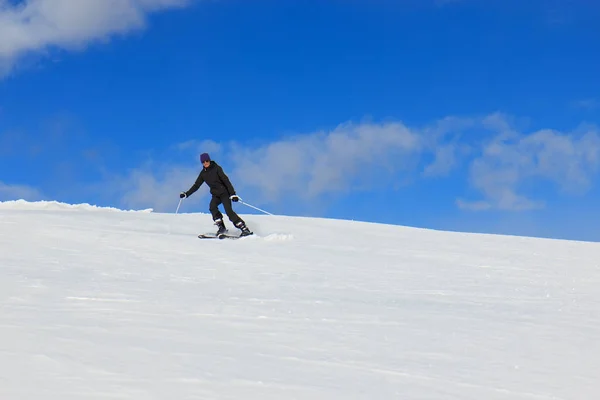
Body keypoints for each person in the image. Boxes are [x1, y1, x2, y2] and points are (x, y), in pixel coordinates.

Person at [180, 153, 252, 236]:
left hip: (224, 193)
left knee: (229, 212)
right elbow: (196, 185)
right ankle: (222, 228)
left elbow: (226, 181)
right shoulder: (203, 173)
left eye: (207, 161)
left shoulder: (217, 168)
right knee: (212, 207)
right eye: (203, 162)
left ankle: (244, 228)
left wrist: (233, 194)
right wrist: (186, 194)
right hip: (215, 195)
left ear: (209, 160)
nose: (205, 163)